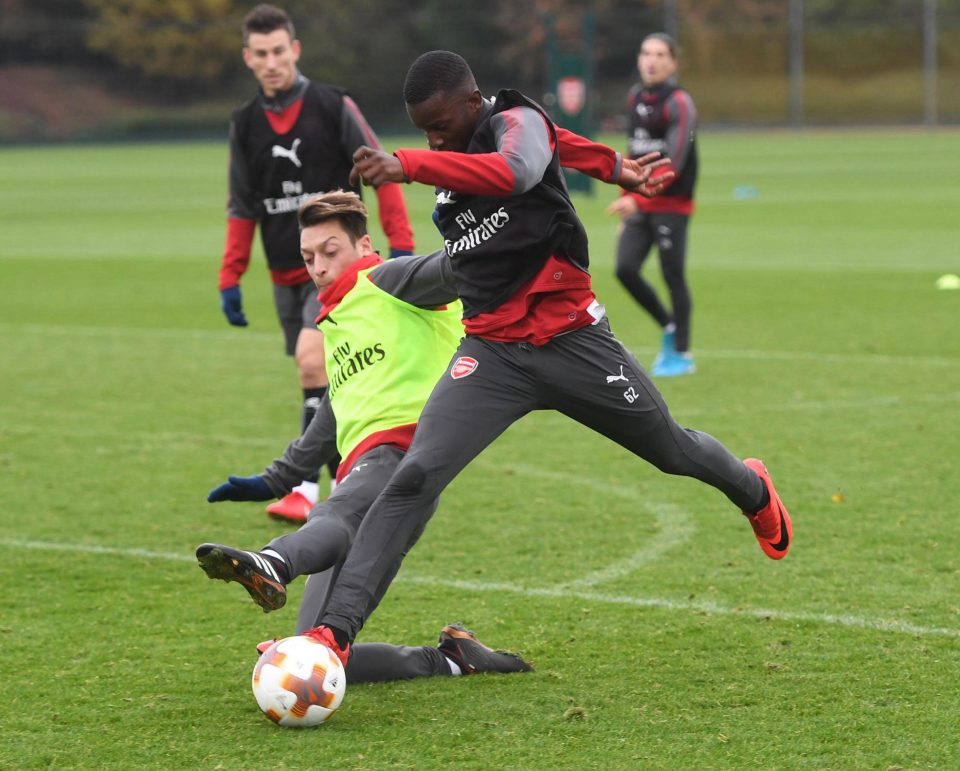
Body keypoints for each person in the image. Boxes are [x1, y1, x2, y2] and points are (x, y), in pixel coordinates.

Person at [293, 50, 792, 668]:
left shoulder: (510, 122)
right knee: (414, 475)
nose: (434, 138)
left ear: (472, 103)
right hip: (492, 353)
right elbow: (562, 145)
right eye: (423, 131)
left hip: (572, 343)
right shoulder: (457, 155)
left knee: (673, 451)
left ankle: (752, 486)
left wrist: (408, 164)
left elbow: (524, 166)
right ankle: (333, 635)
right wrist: (615, 166)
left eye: (440, 125)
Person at [200, 190, 531, 682]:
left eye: (330, 252)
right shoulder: (339, 320)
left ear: (363, 245)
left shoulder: (390, 281)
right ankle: (452, 659)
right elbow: (330, 419)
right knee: (311, 656)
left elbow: (456, 266)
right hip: (364, 471)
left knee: (336, 515)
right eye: (308, 257)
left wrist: (503, 219)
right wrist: (272, 481)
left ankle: (275, 560)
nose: (318, 266)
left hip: (406, 456)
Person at [218, 4, 415, 522]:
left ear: (295, 50)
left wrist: (403, 247)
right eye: (260, 54)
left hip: (343, 271)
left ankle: (304, 488)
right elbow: (243, 204)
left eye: (279, 50)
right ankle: (350, 480)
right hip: (289, 273)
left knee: (313, 360)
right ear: (248, 59)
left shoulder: (332, 105)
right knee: (326, 380)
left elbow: (380, 171)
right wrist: (230, 276)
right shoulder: (244, 123)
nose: (271, 61)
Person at [606, 32, 699, 377]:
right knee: (624, 269)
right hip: (639, 201)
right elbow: (632, 153)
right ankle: (669, 325)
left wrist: (638, 200)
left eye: (660, 54)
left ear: (673, 62)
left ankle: (683, 352)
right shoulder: (635, 97)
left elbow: (674, 160)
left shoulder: (680, 103)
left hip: (671, 203)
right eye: (646, 52)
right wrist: (626, 200)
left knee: (672, 273)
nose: (652, 60)